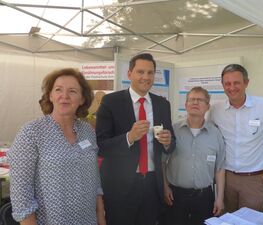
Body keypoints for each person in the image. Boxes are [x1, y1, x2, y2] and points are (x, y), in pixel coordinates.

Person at [8, 68, 106, 225]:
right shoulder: (32, 132)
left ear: (82, 99)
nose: (64, 96)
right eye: (58, 90)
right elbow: (21, 194)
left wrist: (101, 218)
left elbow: (95, 181)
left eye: (72, 91)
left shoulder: (87, 131)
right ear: (50, 96)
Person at [96, 53, 176, 225]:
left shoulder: (162, 104)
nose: (145, 77)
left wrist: (168, 141)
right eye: (140, 72)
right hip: (120, 186)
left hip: (152, 185)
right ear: (129, 74)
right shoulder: (111, 102)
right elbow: (101, 145)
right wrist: (129, 137)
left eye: (150, 73)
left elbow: (171, 144)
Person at [209, 64, 263, 212]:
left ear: (246, 83)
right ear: (223, 85)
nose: (232, 87)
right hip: (227, 178)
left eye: (236, 83)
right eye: (227, 83)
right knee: (228, 218)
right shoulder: (216, 110)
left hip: (255, 179)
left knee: (249, 220)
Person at [162, 86, 225, 225]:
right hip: (175, 196)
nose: (195, 103)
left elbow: (220, 168)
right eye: (192, 99)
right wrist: (165, 188)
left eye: (200, 100)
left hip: (204, 197)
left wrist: (219, 198)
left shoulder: (215, 134)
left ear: (207, 106)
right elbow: (162, 162)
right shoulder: (173, 130)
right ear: (186, 105)